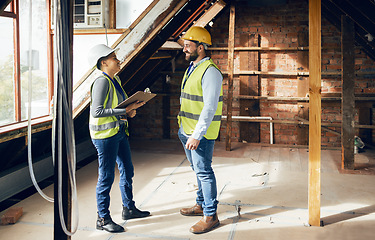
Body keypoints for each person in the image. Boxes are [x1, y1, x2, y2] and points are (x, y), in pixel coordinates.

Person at [88, 44, 150, 233]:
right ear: (104, 62)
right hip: (105, 137)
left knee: (127, 170)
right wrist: (126, 110)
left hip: (118, 132)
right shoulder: (102, 82)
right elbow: (97, 112)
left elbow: (117, 106)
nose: (118, 59)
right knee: (106, 177)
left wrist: (128, 113)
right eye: (114, 57)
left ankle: (128, 208)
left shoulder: (115, 79)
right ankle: (103, 219)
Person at [177, 26, 223, 234]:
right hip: (186, 129)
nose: (184, 49)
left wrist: (197, 134)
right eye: (185, 45)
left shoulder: (211, 72)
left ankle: (210, 215)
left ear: (201, 48)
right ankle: (200, 204)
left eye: (188, 46)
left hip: (199, 134)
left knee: (204, 172)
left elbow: (210, 107)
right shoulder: (193, 67)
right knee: (197, 170)